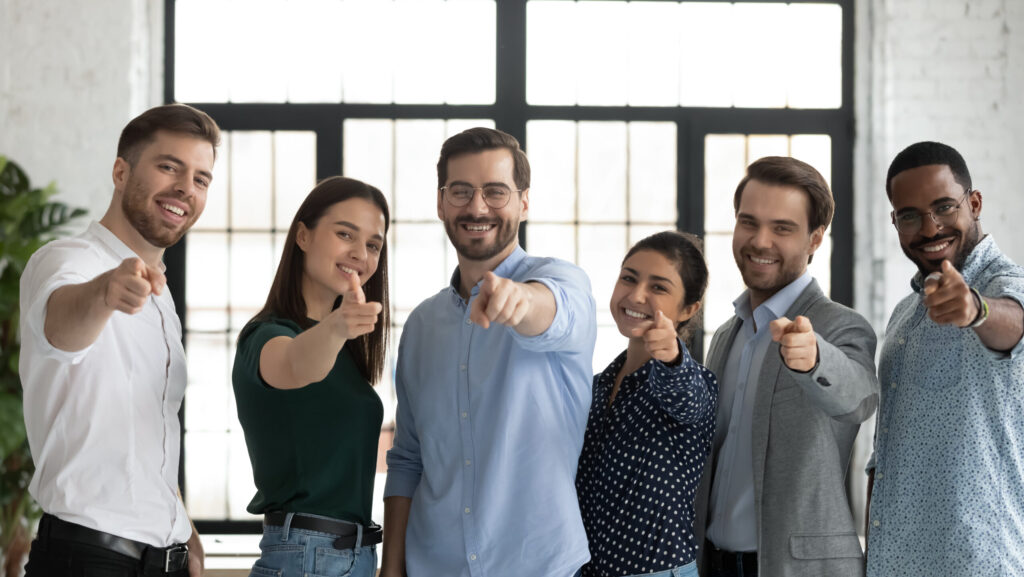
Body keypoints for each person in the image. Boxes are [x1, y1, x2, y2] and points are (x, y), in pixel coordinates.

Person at [381, 127, 597, 577]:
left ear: (523, 202)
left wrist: (518, 301)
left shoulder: (562, 282)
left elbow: (549, 311)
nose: (477, 207)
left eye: (495, 192)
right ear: (440, 202)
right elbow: (407, 457)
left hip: (539, 567)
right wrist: (392, 567)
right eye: (461, 192)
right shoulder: (422, 325)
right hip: (432, 566)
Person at [19, 104, 220, 577]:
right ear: (120, 171)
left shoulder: (160, 295)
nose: (185, 188)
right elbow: (60, 328)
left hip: (160, 559)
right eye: (169, 166)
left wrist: (180, 524)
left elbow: (140, 433)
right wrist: (104, 293)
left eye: (201, 178)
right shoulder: (67, 261)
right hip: (88, 560)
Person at [693, 156, 879, 577]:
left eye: (782, 228)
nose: (760, 241)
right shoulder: (726, 335)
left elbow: (858, 398)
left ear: (815, 239)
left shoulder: (840, 326)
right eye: (748, 222)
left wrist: (814, 359)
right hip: (713, 563)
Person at [865, 142, 1024, 576]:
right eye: (910, 215)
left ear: (973, 204)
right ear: (895, 222)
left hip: (977, 564)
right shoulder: (904, 314)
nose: (930, 228)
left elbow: (1012, 321)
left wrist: (976, 309)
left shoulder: (1005, 285)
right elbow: (884, 455)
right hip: (893, 564)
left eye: (944, 207)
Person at [232, 176, 391, 577]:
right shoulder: (267, 335)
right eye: (345, 234)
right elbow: (294, 366)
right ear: (303, 235)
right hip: (306, 557)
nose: (360, 253)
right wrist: (338, 327)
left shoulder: (347, 354)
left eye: (373, 244)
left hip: (351, 555)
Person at [576, 231, 717, 577]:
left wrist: (670, 356)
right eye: (628, 278)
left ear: (688, 309)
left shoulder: (693, 381)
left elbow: (685, 397)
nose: (636, 295)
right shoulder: (596, 386)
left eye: (658, 287)